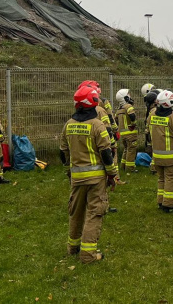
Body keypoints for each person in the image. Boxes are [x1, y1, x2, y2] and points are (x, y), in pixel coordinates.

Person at [59, 82, 118, 264]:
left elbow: (63, 152)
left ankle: (73, 247)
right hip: (96, 179)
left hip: (76, 178)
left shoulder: (68, 125)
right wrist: (112, 174)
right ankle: (88, 255)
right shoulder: (97, 125)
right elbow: (106, 154)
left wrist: (70, 170)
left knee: (76, 213)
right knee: (94, 213)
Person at [115, 89, 138, 175]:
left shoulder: (119, 110)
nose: (130, 96)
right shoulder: (128, 106)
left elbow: (115, 120)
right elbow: (132, 115)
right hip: (130, 133)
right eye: (129, 94)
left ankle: (123, 166)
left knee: (126, 149)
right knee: (131, 150)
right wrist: (133, 124)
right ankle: (130, 169)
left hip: (123, 134)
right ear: (125, 97)